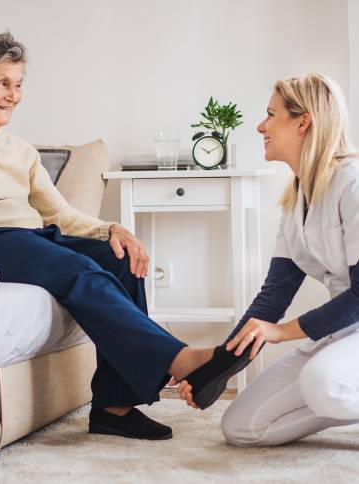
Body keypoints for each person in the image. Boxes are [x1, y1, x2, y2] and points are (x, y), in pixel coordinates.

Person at [0, 31, 225, 441]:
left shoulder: (21, 150)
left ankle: (113, 407)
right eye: (2, 83)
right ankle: (180, 358)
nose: (13, 96)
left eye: (18, 85)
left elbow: (60, 214)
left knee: (120, 258)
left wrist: (111, 230)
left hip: (29, 236)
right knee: (76, 270)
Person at [176, 73, 359, 446]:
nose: (261, 126)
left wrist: (281, 333)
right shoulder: (296, 197)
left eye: (271, 114)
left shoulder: (352, 184)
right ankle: (334, 397)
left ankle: (332, 389)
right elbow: (271, 299)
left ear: (303, 121)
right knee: (242, 428)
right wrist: (217, 370)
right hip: (342, 335)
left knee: (322, 381)